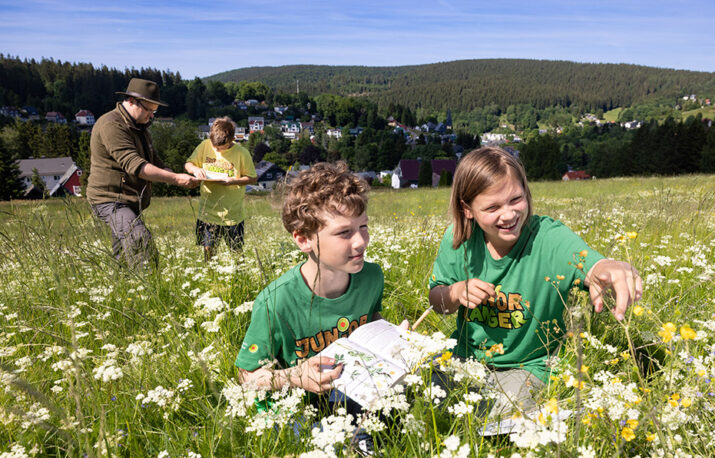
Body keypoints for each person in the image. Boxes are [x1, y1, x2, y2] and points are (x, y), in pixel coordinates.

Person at [429, 146, 642, 415]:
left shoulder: (548, 237)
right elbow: (436, 302)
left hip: (529, 366)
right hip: (465, 358)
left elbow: (591, 263)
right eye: (492, 207)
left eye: (516, 199)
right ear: (467, 209)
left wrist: (609, 268)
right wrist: (455, 292)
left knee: (503, 417)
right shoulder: (458, 240)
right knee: (418, 395)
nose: (508, 215)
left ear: (527, 194)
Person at [235, 162, 384, 400]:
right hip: (297, 407)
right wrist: (295, 377)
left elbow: (372, 319)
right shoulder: (276, 302)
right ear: (303, 240)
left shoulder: (371, 278)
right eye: (344, 232)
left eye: (363, 226)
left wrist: (391, 337)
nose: (360, 242)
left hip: (356, 392)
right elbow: (247, 376)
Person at [87, 78, 199, 268]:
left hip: (129, 200)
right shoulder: (111, 125)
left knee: (123, 255)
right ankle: (149, 290)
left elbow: (154, 161)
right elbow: (135, 165)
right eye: (148, 110)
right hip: (110, 199)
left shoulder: (140, 128)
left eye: (154, 111)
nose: (151, 116)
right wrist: (176, 179)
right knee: (140, 241)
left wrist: (179, 175)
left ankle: (124, 292)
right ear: (131, 101)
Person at [184, 117, 258, 261]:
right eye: (214, 146)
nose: (216, 150)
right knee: (209, 255)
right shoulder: (205, 145)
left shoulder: (242, 153)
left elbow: (252, 178)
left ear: (231, 140)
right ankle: (211, 278)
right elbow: (188, 164)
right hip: (207, 213)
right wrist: (195, 170)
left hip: (233, 215)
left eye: (220, 148)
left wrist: (234, 181)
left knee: (237, 253)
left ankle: (240, 276)